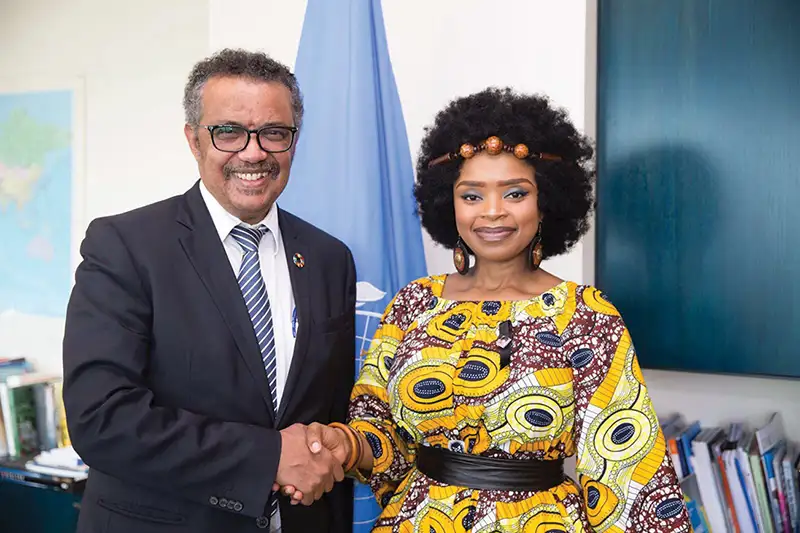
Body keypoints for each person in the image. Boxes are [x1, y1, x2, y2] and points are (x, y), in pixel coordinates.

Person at [281, 87, 691, 531]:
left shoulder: (586, 316)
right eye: (472, 195)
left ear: (546, 202)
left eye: (514, 193)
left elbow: (627, 476)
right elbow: (381, 434)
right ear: (448, 203)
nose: (492, 213)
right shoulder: (414, 303)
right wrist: (342, 443)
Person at [62, 48, 355, 533]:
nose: (254, 152)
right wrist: (268, 458)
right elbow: (102, 418)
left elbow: (328, 410)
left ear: (294, 142)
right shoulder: (125, 246)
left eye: (274, 133)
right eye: (229, 132)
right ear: (194, 140)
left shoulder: (329, 257)